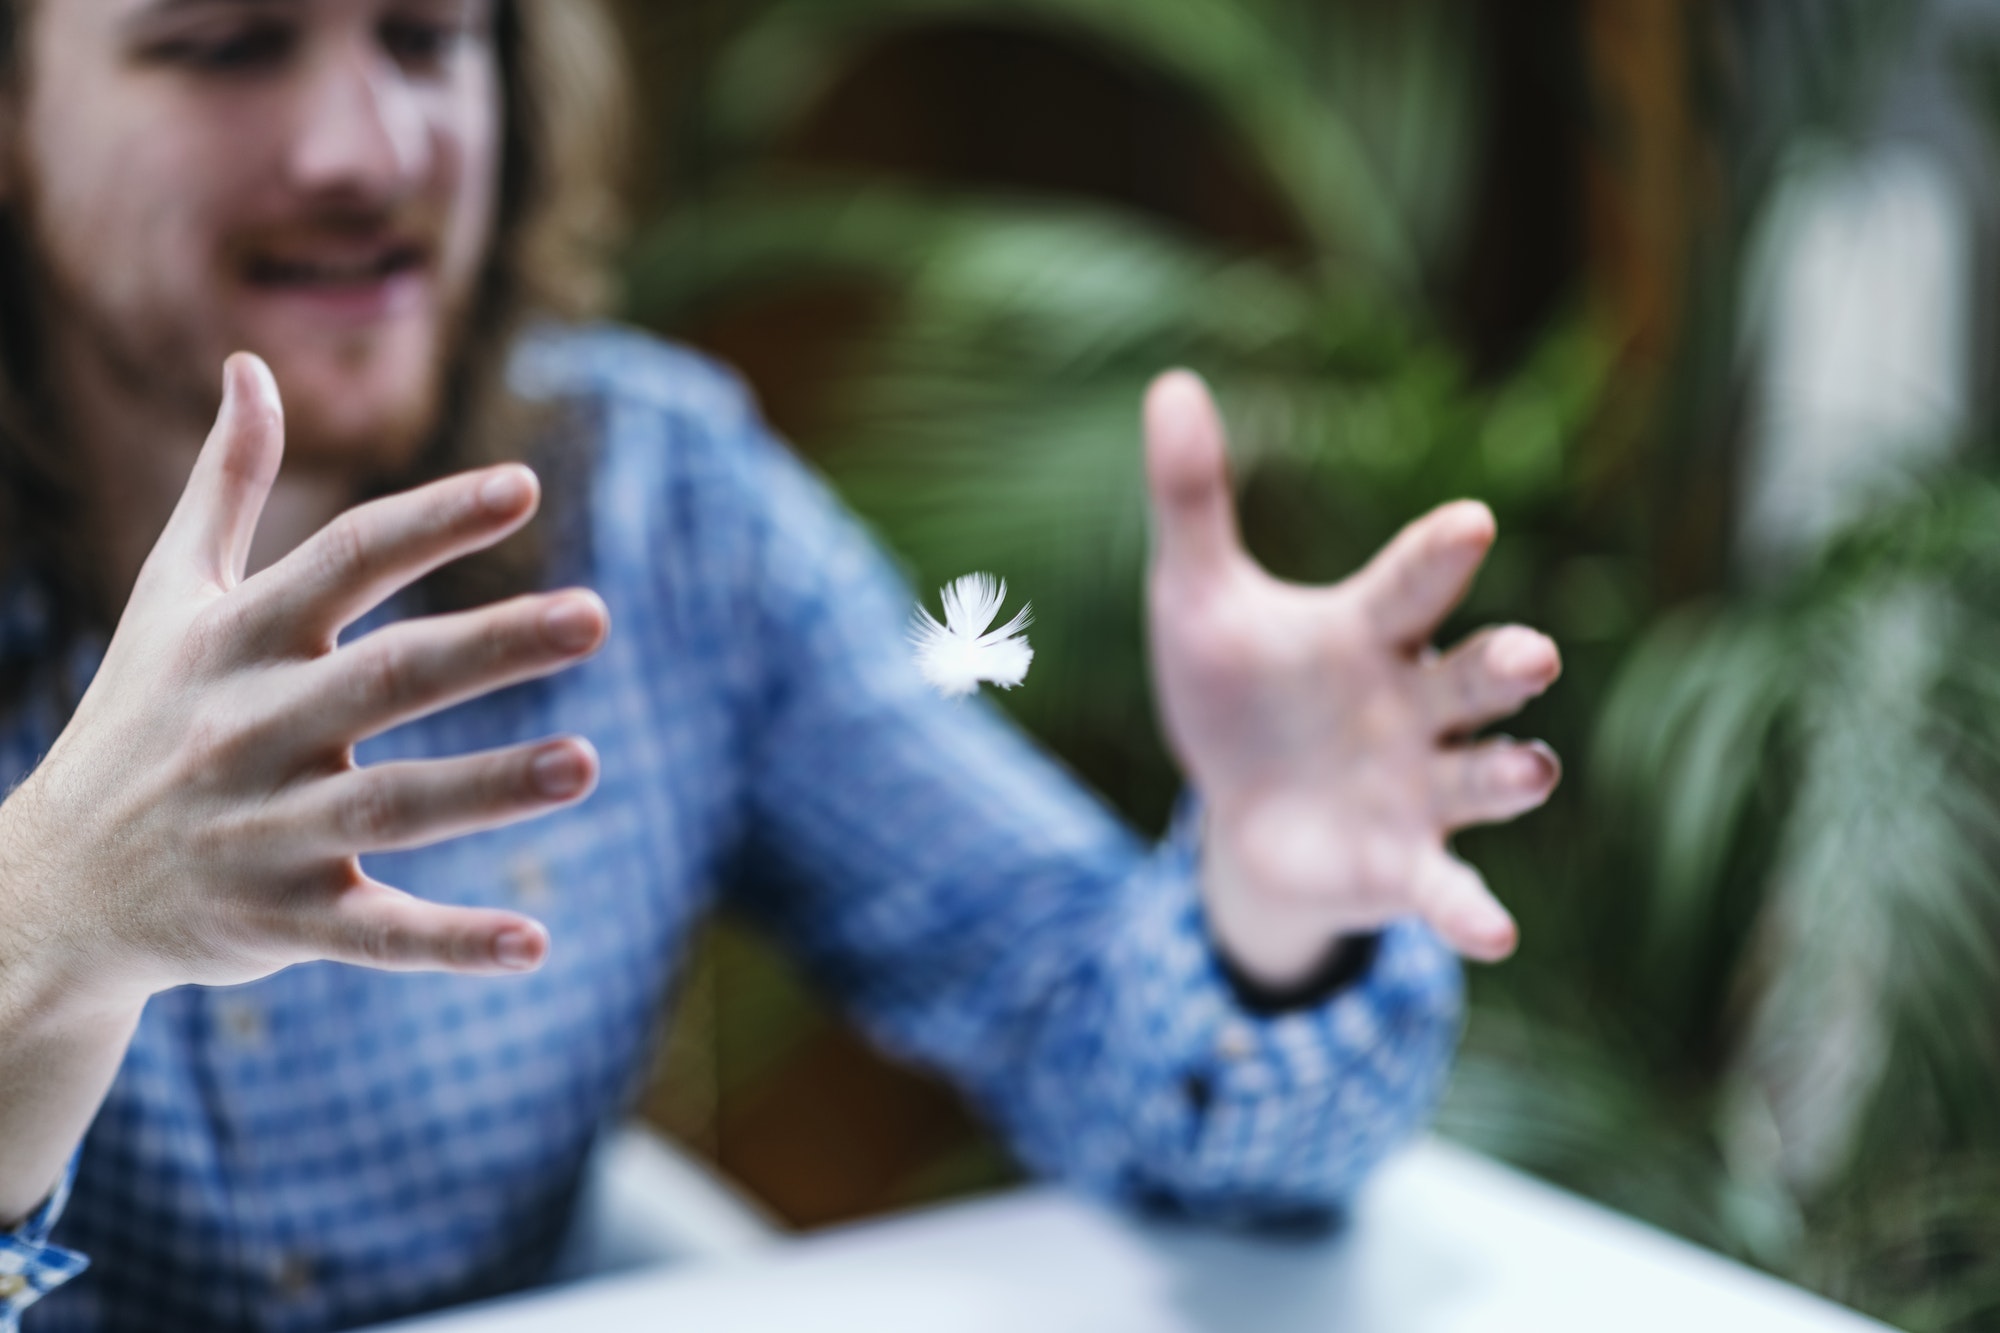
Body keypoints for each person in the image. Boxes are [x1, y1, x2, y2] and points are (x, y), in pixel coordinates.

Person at [0, 1, 1563, 1329]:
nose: (368, 150)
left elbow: (1129, 1048)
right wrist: (50, 918)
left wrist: (1277, 910)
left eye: (426, 36)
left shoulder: (667, 507)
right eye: (222, 46)